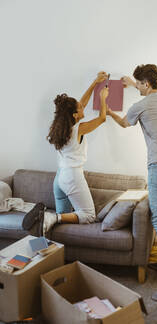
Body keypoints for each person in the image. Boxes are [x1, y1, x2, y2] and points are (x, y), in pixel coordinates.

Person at [106, 64, 157, 302]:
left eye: (138, 84)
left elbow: (124, 123)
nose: (137, 88)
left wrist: (109, 112)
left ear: (146, 84)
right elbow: (151, 95)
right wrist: (133, 84)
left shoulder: (140, 106)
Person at [22, 71, 109, 235]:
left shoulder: (61, 125)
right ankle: (49, 216)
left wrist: (95, 83)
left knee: (59, 226)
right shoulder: (79, 129)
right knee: (89, 215)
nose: (83, 106)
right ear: (75, 115)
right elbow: (102, 118)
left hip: (60, 178)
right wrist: (103, 98)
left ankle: (48, 231)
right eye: (80, 108)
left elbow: (81, 102)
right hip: (72, 177)